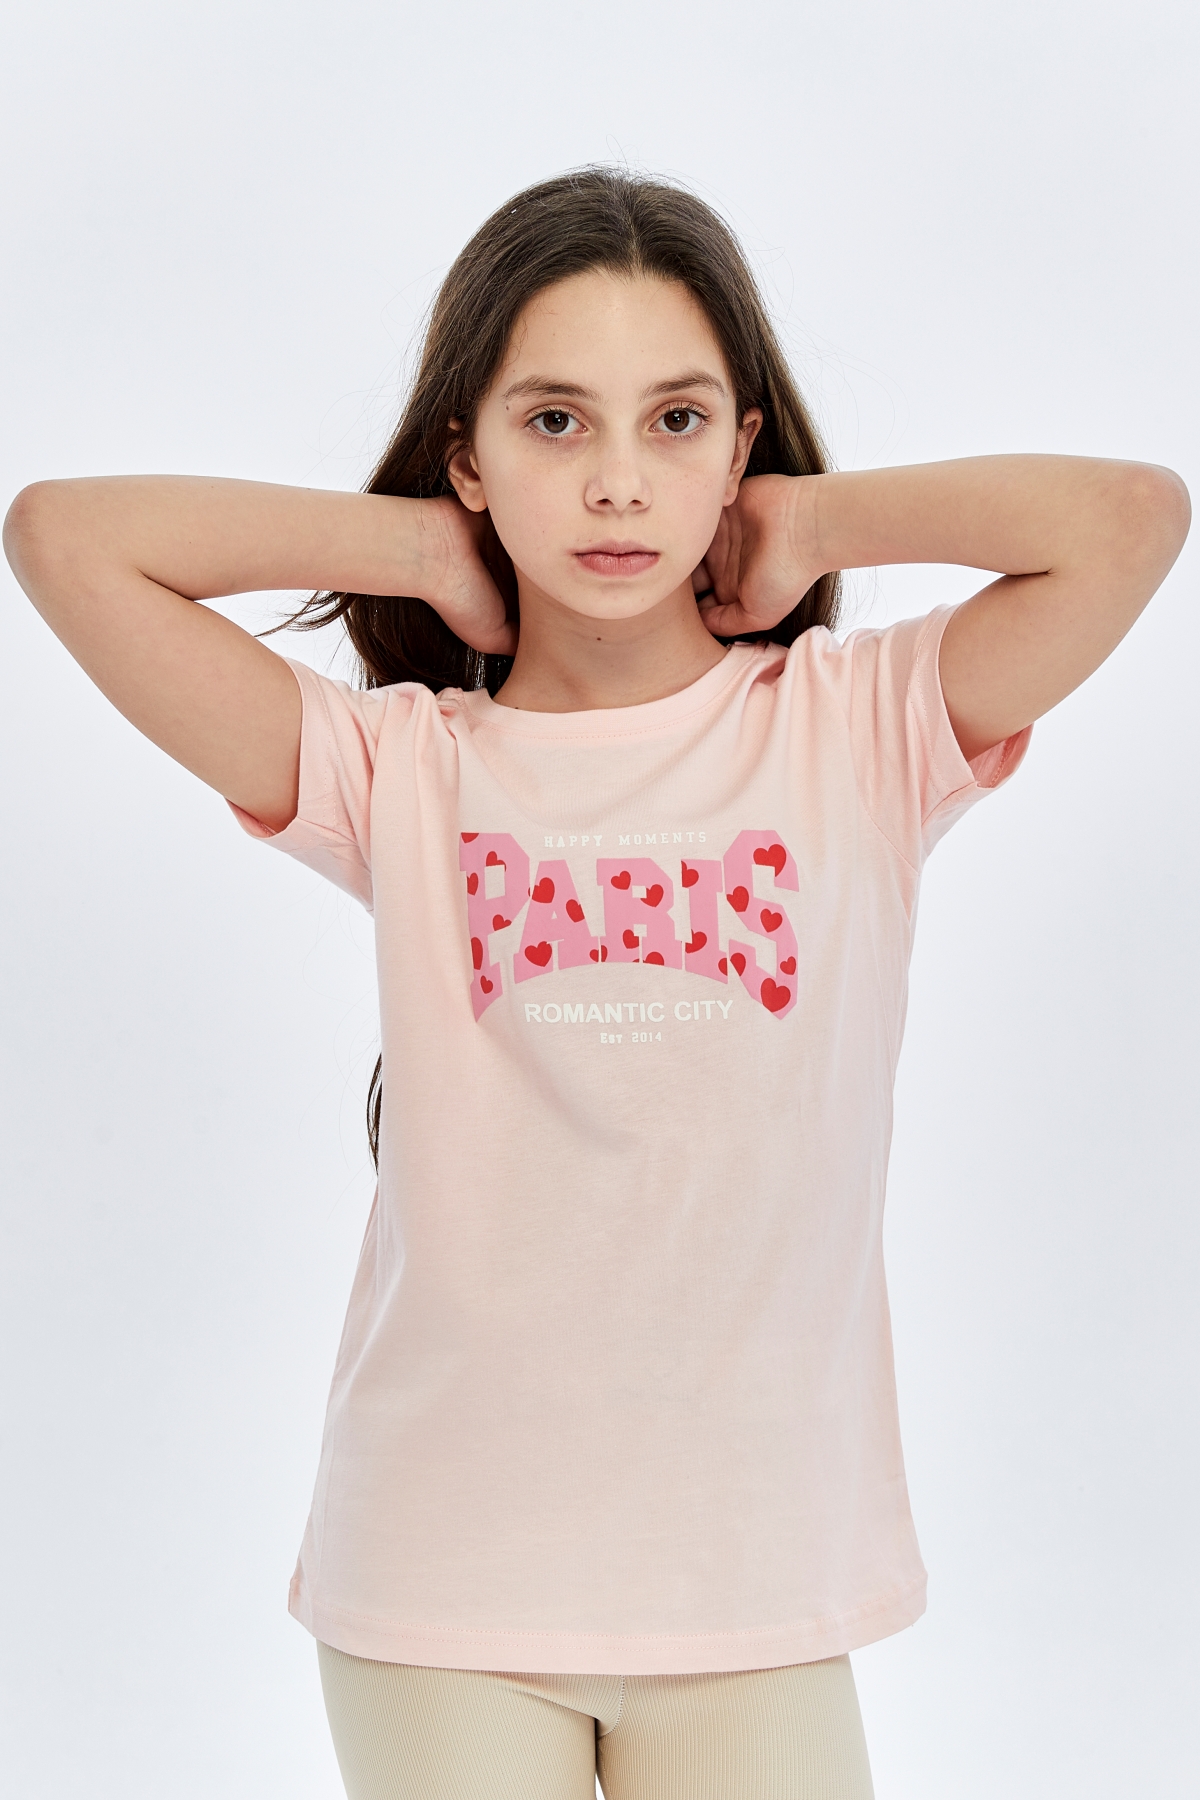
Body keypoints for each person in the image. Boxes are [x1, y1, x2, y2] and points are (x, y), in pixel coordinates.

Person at [3, 167, 1189, 1800]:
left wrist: (810, 526)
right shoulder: (399, 767)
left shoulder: (854, 729)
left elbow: (1131, 520)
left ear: (740, 448)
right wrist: (418, 546)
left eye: (676, 422)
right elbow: (63, 539)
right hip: (440, 1583)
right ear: (470, 455)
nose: (619, 482)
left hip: (754, 1585)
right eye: (554, 423)